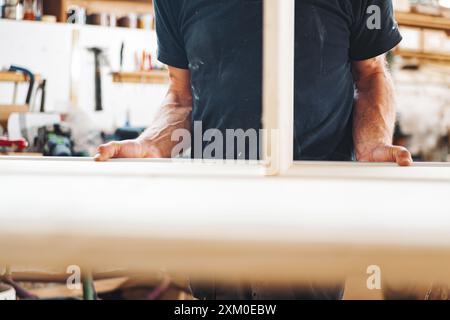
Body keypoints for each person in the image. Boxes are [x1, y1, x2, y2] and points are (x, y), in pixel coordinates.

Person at [95, 0, 413, 299]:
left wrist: (372, 143)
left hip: (313, 210)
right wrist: (153, 142)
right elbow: (180, 95)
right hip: (215, 209)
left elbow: (371, 74)